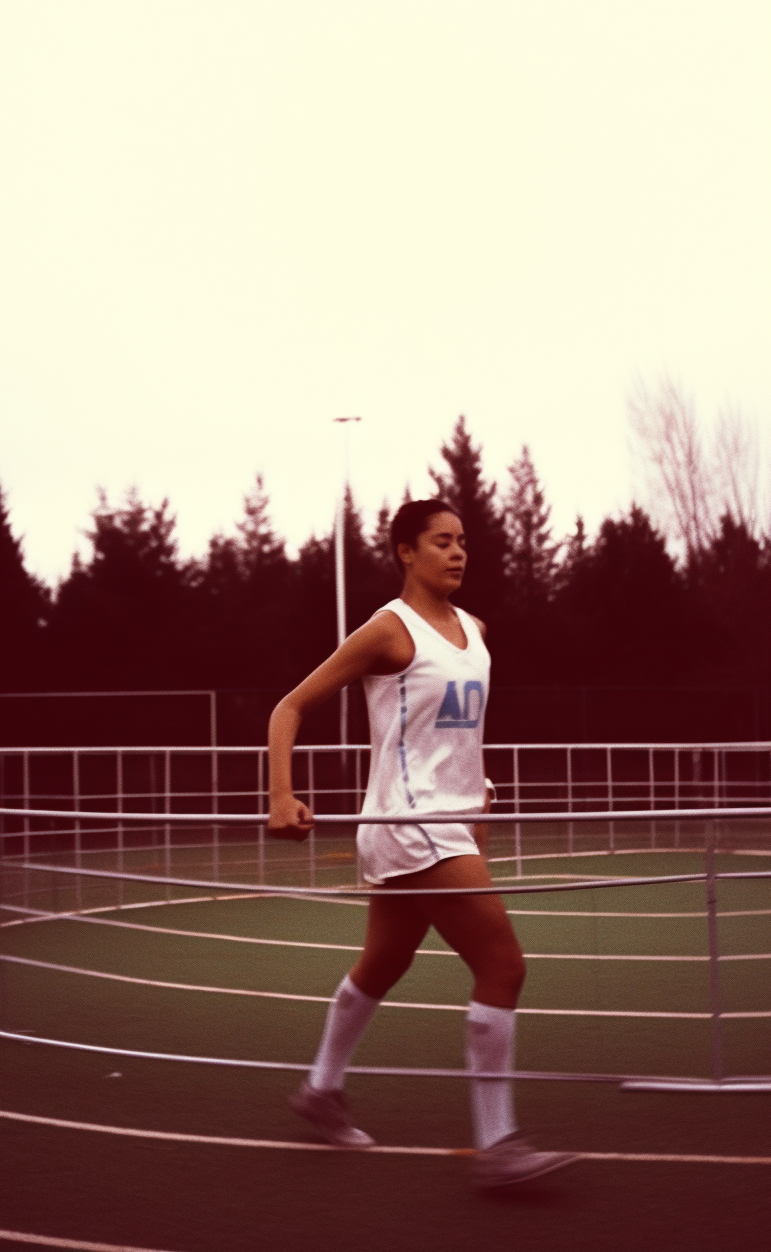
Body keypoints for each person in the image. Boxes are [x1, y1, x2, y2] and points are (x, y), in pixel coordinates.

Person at [267, 499, 577, 1187]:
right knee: (504, 965)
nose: (458, 552)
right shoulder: (388, 631)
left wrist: (481, 799)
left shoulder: (475, 628)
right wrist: (280, 794)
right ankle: (498, 1145)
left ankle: (320, 1089)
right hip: (410, 824)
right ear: (406, 551)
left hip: (449, 822)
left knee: (383, 961)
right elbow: (288, 707)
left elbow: (458, 736)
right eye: (442, 541)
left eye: (463, 541)